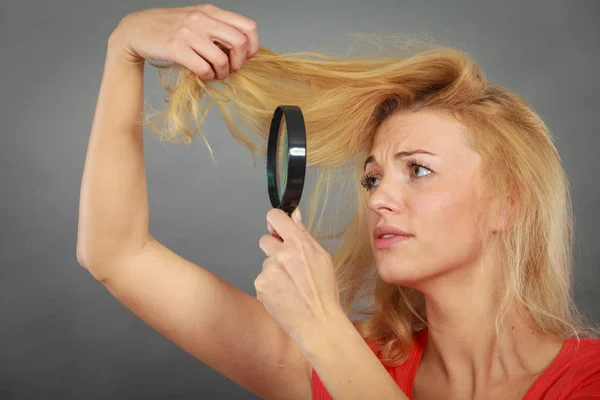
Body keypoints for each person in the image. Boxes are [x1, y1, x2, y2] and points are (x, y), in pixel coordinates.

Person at [76, 4, 600, 400]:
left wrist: (320, 326)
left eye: (417, 170)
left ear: (507, 204)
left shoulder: (586, 379)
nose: (379, 200)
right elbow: (116, 254)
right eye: (372, 179)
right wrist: (124, 46)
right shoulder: (339, 362)